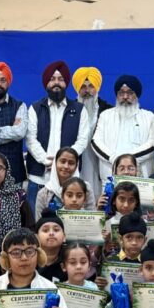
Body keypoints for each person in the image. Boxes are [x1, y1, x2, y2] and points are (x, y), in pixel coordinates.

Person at [26, 61, 90, 212]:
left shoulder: (79, 109)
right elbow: (30, 139)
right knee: (36, 222)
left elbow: (82, 140)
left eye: (60, 79)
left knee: (68, 223)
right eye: (52, 79)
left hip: (69, 180)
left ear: (66, 83)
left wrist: (64, 162)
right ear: (46, 83)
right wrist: (46, 160)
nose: (56, 83)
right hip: (39, 178)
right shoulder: (35, 108)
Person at [91, 75, 154, 180]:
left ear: (137, 95)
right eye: (121, 93)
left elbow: (153, 144)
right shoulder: (106, 116)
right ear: (117, 95)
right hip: (110, 176)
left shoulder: (148, 117)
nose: (125, 97)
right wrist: (114, 159)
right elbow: (96, 142)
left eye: (130, 93)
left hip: (142, 178)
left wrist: (128, 160)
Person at [72, 67, 111, 193]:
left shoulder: (108, 111)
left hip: (100, 164)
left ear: (97, 88)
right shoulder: (68, 110)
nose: (87, 91)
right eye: (83, 86)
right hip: (77, 165)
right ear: (77, 88)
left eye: (91, 86)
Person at [35, 147, 95, 216]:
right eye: (63, 162)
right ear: (55, 163)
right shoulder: (43, 193)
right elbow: (39, 221)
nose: (66, 166)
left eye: (71, 163)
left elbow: (92, 216)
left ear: (76, 166)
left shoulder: (86, 188)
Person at [36, 209, 68, 283]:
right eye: (45, 230)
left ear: (64, 237)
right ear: (37, 237)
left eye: (56, 230)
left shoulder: (69, 260)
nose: (51, 233)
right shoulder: (30, 260)